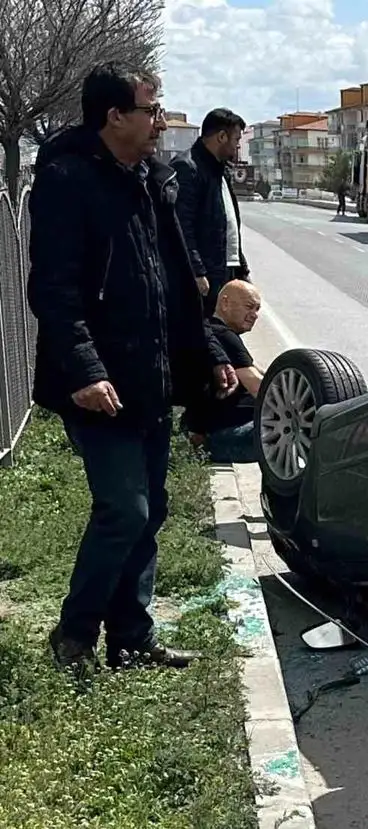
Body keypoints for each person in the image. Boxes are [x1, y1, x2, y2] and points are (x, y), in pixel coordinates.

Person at [27, 61, 237, 674]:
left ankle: (131, 637)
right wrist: (87, 371)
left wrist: (214, 352)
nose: (160, 121)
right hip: (100, 383)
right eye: (150, 109)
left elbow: (177, 282)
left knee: (154, 508)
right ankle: (72, 639)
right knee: (125, 509)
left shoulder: (152, 178)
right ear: (114, 116)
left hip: (150, 376)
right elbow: (55, 292)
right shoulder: (67, 181)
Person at [171, 107, 250, 316]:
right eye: (236, 140)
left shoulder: (220, 170)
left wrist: (242, 269)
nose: (237, 146)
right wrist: (197, 271)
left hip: (226, 269)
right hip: (207, 275)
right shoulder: (188, 167)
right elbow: (182, 225)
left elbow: (227, 226)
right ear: (221, 137)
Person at [183, 280, 264, 463]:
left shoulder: (213, 331)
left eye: (257, 309)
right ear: (225, 303)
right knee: (299, 432)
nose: (254, 315)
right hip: (221, 437)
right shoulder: (223, 334)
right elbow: (259, 388)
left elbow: (261, 373)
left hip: (213, 434)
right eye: (249, 307)